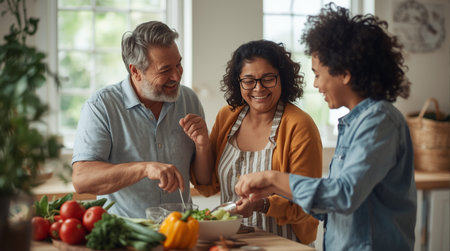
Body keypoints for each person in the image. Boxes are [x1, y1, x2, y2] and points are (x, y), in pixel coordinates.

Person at [235, 4, 416, 251]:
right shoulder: (356, 123)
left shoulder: (380, 121)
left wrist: (272, 177)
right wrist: (272, 189)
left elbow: (343, 195)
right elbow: (329, 204)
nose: (316, 84)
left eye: (318, 74)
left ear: (344, 73)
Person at [71, 21, 212, 218]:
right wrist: (144, 168)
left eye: (178, 64)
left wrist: (203, 145)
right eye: (165, 70)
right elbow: (82, 179)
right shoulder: (102, 106)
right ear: (136, 71)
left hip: (181, 231)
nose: (177, 76)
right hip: (124, 236)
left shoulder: (188, 99)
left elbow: (204, 180)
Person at [191, 40, 323, 244]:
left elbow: (307, 201)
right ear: (238, 81)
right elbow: (206, 184)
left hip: (284, 243)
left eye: (268, 79)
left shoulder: (300, 125)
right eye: (249, 80)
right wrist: (202, 145)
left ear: (283, 79)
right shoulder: (228, 116)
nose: (258, 88)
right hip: (232, 242)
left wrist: (261, 205)